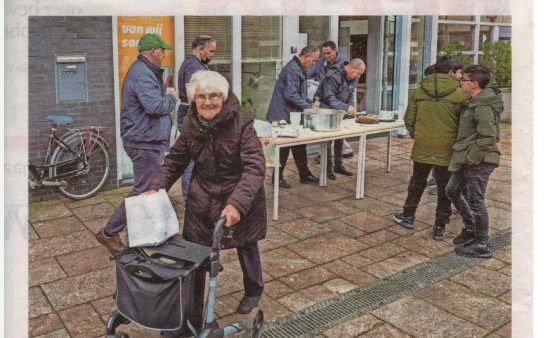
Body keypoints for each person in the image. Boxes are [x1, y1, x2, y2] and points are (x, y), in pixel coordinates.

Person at [146, 71, 267, 324]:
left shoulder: (241, 123)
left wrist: (237, 204)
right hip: (203, 198)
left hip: (239, 194)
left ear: (223, 97)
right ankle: (192, 315)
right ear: (193, 100)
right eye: (201, 97)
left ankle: (254, 289)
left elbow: (254, 167)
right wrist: (156, 187)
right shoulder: (190, 124)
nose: (208, 102)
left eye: (214, 96)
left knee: (246, 244)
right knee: (196, 255)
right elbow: (175, 160)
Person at [95, 33, 177, 254]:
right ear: (153, 52)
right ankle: (110, 232)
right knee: (143, 189)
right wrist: (171, 98)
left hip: (146, 139)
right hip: (144, 141)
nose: (164, 54)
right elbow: (154, 105)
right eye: (162, 51)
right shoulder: (143, 74)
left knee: (150, 187)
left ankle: (150, 231)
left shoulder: (145, 71)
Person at [392, 55, 468, 241]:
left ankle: (408, 216)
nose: (460, 76)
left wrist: (418, 135)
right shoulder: (461, 95)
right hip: (447, 149)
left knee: (417, 182)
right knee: (444, 188)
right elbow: (465, 125)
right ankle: (440, 227)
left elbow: (409, 119)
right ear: (450, 72)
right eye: (459, 73)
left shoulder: (418, 92)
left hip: (422, 145)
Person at [446, 65, 502, 258]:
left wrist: (472, 159)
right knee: (452, 190)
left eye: (464, 80)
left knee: (476, 200)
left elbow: (489, 137)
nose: (461, 82)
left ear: (474, 84)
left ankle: (482, 243)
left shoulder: (483, 106)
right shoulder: (473, 101)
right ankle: (471, 227)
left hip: (479, 160)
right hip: (468, 157)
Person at [266, 45, 320, 189]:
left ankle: (304, 174)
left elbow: (298, 93)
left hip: (289, 113)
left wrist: (308, 103)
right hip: (282, 114)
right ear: (306, 56)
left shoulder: (298, 68)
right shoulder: (293, 69)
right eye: (313, 60)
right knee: (283, 147)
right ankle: (277, 178)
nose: (314, 64)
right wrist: (307, 106)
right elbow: (290, 94)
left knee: (299, 144)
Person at [176, 35, 217, 202]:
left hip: (189, 115)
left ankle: (194, 199)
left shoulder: (194, 64)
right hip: (192, 117)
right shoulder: (194, 67)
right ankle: (190, 202)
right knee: (192, 162)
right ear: (200, 49)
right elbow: (195, 97)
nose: (213, 54)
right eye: (211, 50)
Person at [316, 58, 366, 179]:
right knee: (328, 140)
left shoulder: (353, 77)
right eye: (358, 73)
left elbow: (350, 94)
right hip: (326, 108)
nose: (358, 77)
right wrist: (346, 107)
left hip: (340, 109)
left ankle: (338, 165)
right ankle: (327, 168)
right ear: (352, 69)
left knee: (340, 137)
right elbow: (328, 97)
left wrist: (352, 106)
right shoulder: (333, 76)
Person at [308, 41, 354, 160]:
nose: (326, 56)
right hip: (323, 98)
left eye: (328, 53)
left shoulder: (344, 64)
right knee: (327, 133)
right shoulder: (320, 62)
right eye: (324, 53)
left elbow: (350, 88)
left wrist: (348, 105)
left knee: (338, 133)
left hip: (337, 101)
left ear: (335, 50)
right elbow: (310, 72)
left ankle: (337, 161)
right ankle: (326, 160)